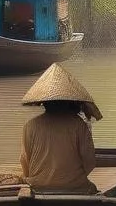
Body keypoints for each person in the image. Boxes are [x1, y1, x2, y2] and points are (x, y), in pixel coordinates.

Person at [18, 63, 103, 194]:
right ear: (70, 102)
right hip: (76, 187)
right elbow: (90, 162)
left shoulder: (30, 125)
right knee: (93, 190)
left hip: (37, 187)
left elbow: (25, 162)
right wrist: (72, 179)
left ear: (44, 103)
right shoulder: (79, 125)